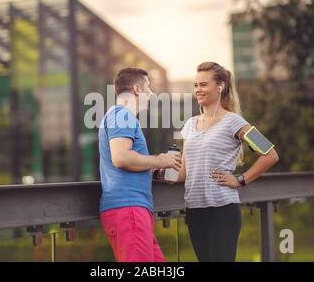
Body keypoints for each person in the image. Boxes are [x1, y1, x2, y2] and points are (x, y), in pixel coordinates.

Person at [174, 62, 279, 262]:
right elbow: (183, 173)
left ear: (220, 86)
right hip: (194, 211)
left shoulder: (234, 122)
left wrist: (240, 180)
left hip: (222, 211)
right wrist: (150, 167)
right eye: (196, 85)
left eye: (203, 84)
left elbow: (271, 154)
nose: (198, 90)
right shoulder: (190, 125)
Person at [98, 67, 182, 262]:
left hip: (133, 211)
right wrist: (162, 160)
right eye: (148, 88)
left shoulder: (118, 116)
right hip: (129, 210)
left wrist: (155, 171)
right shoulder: (122, 115)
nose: (151, 94)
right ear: (137, 89)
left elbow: (124, 161)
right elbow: (121, 158)